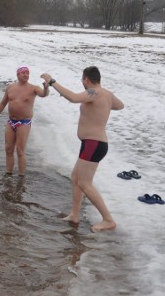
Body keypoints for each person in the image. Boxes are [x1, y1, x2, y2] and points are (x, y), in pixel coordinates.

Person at [41, 67, 124, 232]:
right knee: (75, 177)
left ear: (86, 80)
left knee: (85, 183)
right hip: (92, 143)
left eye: (82, 80)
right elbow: (120, 105)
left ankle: (108, 220)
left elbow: (72, 98)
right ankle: (74, 214)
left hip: (94, 144)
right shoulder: (105, 94)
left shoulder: (93, 92)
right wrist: (104, 105)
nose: (82, 83)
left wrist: (52, 82)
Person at [0, 66, 49, 176]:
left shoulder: (33, 88)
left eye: (27, 73)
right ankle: (8, 174)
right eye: (23, 73)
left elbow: (44, 94)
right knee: (8, 149)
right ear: (18, 75)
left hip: (24, 123)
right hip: (11, 121)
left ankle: (21, 176)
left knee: (20, 151)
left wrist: (46, 88)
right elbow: (3, 103)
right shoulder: (11, 87)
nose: (26, 75)